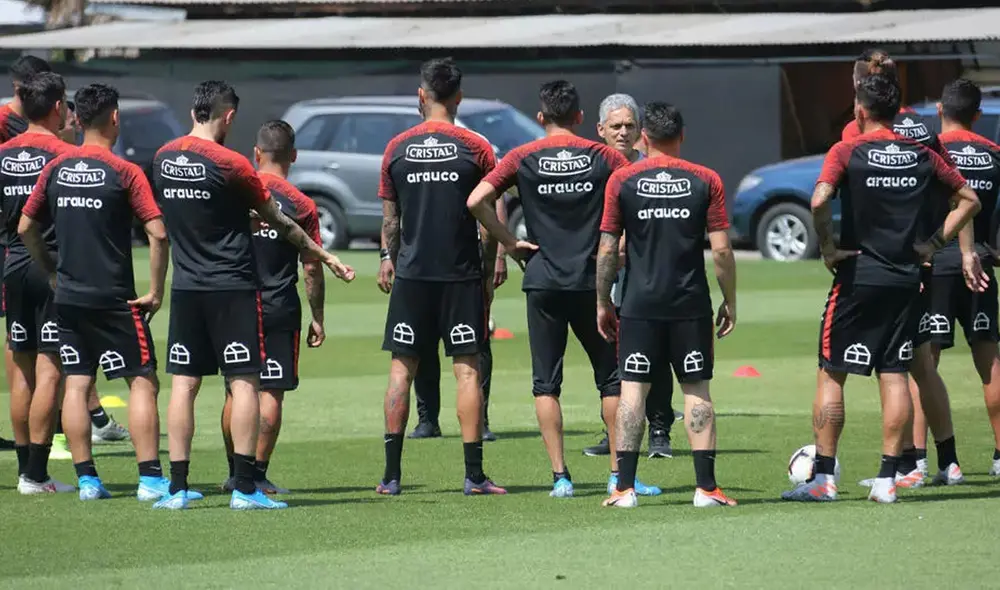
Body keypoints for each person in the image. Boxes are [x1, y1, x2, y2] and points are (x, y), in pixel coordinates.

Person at [150, 80, 354, 510]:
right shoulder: (232, 165)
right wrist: (326, 256)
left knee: (184, 386)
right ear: (228, 117)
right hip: (234, 288)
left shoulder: (163, 158)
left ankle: (178, 488)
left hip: (186, 287)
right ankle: (245, 488)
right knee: (245, 383)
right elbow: (281, 224)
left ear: (193, 110)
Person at [782, 74, 981, 504]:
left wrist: (829, 248)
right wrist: (932, 244)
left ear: (859, 110)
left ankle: (823, 478)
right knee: (893, 375)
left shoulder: (847, 150)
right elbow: (969, 199)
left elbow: (818, 200)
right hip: (909, 279)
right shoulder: (922, 153)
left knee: (832, 371)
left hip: (858, 276)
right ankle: (889, 479)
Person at [468, 80, 659, 499]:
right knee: (611, 381)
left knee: (546, 384)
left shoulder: (522, 156)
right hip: (593, 284)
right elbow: (643, 189)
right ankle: (617, 474)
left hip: (543, 282)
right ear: (579, 117)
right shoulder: (605, 156)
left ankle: (561, 478)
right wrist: (626, 246)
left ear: (541, 118)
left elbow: (476, 200)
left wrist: (507, 241)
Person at [17, 82, 186, 501]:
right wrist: (156, 291)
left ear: (76, 118)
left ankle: (88, 480)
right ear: (114, 118)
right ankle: (149, 480)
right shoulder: (125, 172)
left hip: (68, 296)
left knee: (75, 382)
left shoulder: (55, 167)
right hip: (115, 298)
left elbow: (24, 228)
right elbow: (159, 234)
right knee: (142, 381)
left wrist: (51, 271)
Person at [596, 102, 738, 509]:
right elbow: (723, 251)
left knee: (632, 392)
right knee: (696, 390)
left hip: (639, 304)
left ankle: (623, 488)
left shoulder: (623, 180)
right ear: (682, 136)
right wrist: (729, 300)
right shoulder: (705, 179)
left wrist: (603, 300)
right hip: (689, 304)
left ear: (643, 137)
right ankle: (706, 489)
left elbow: (608, 249)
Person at [375, 57, 505, 496]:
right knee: (467, 372)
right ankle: (473, 476)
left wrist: (387, 258)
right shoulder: (477, 148)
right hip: (460, 274)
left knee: (400, 371)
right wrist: (488, 273)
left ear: (421, 95)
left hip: (412, 275)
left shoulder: (396, 148)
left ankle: (391, 477)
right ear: (459, 98)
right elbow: (487, 221)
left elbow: (390, 222)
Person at [848, 50, 972, 488]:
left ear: (860, 88)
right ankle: (948, 460)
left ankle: (903, 466)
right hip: (923, 259)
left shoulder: (858, 130)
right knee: (921, 364)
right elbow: (958, 190)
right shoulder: (921, 127)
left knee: (893, 367)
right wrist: (948, 243)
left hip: (879, 266)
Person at [220, 120, 327, 495]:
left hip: (234, 303)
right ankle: (258, 473)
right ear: (293, 156)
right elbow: (312, 266)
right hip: (280, 306)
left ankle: (236, 472)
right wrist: (318, 317)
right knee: (271, 392)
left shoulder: (235, 194)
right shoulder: (302, 205)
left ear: (256, 153)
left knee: (236, 390)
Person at [585, 92, 676, 460]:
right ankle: (617, 431)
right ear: (600, 129)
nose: (623, 133)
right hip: (608, 273)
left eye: (630, 126)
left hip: (647, 275)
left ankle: (659, 429)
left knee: (658, 353)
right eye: (616, 126)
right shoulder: (592, 167)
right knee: (610, 354)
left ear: (641, 132)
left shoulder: (649, 169)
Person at [0, 71, 75, 493]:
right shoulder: (63, 155)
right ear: (56, 108)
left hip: (11, 264)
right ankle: (37, 474)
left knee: (22, 373)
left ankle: (24, 471)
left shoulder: (3, 153)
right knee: (51, 370)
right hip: (49, 269)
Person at [927, 79, 1000, 476]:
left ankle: (922, 462)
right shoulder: (994, 155)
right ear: (977, 114)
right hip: (982, 269)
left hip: (935, 264)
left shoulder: (929, 152)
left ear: (940, 109)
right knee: (989, 361)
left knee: (924, 364)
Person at [407, 197, 506, 442]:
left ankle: (479, 420)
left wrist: (499, 256)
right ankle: (427, 419)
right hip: (422, 265)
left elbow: (494, 201)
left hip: (465, 267)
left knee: (475, 345)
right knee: (424, 343)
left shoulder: (476, 157)